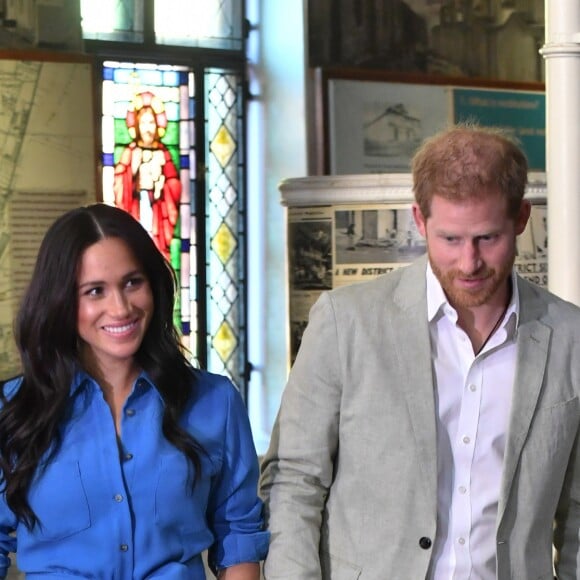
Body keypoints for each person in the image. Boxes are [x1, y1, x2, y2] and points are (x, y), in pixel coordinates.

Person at [260, 125, 580, 579]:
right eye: (450, 239)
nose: (469, 263)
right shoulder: (346, 322)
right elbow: (294, 481)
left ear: (522, 219)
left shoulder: (570, 337)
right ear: (419, 220)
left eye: (487, 238)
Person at [0, 203, 268, 579]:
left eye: (132, 282)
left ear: (153, 285)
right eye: (95, 291)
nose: (121, 308)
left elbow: (238, 535)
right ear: (61, 301)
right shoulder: (13, 410)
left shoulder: (215, 402)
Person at [114, 90, 182, 259]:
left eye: (151, 122)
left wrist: (161, 184)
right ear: (136, 125)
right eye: (143, 123)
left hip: (158, 211)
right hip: (136, 207)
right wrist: (134, 171)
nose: (147, 128)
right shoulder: (130, 151)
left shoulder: (163, 152)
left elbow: (174, 185)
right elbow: (119, 182)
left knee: (155, 246)